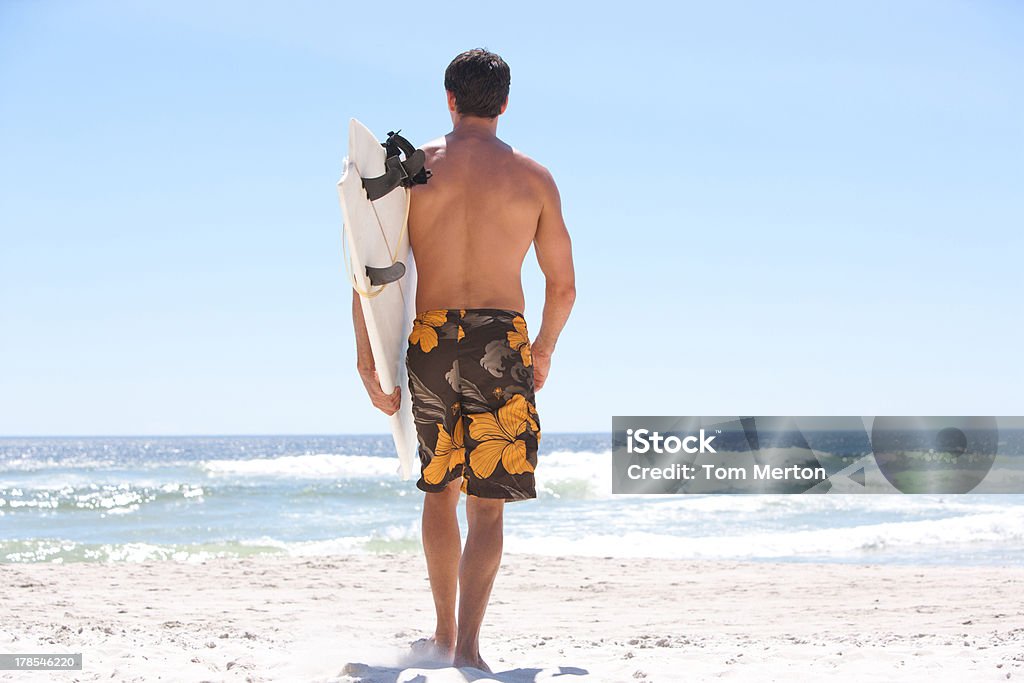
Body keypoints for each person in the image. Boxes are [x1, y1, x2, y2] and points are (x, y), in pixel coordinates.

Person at [351, 48, 575, 672]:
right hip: (501, 343)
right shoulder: (534, 179)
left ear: (448, 99)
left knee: (440, 491)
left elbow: (370, 269)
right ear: (504, 104)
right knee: (488, 502)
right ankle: (469, 648)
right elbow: (564, 286)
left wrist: (366, 357)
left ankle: (445, 634)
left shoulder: (413, 171)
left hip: (430, 342)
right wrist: (545, 350)